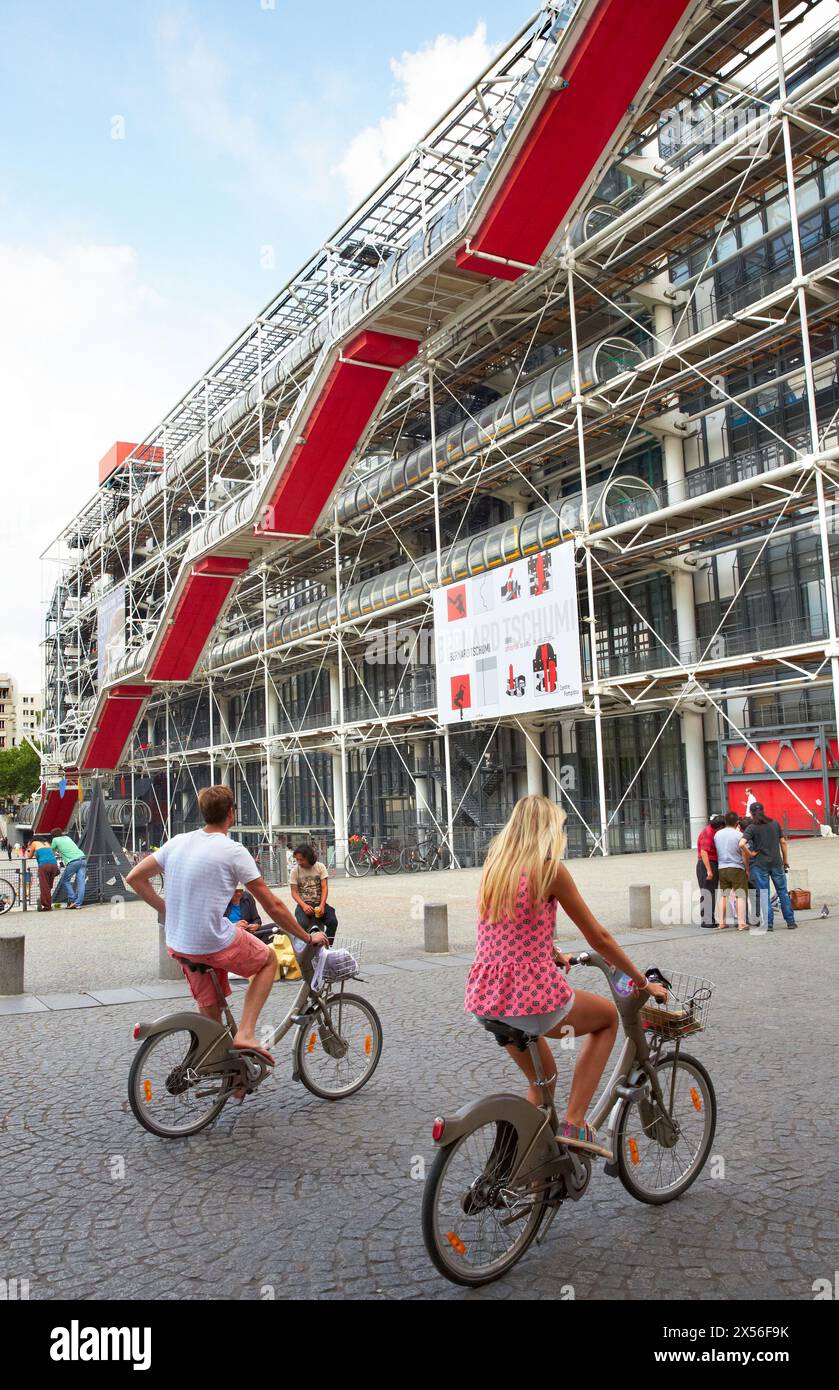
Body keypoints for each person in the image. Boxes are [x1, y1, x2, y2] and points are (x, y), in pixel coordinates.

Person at [464, 795, 667, 1157]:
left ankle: (521, 1173)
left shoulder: (496, 867)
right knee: (606, 1017)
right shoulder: (549, 869)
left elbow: (509, 927)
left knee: (543, 1083)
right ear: (547, 831)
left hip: (488, 998)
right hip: (527, 996)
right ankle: (575, 1121)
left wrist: (550, 951)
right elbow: (598, 937)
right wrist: (640, 981)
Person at [126, 786, 329, 1064]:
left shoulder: (178, 841)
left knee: (212, 1019)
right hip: (210, 941)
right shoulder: (233, 851)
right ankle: (246, 1032)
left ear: (203, 813)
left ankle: (225, 1072)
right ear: (231, 813)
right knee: (268, 960)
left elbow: (135, 878)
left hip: (178, 942)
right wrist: (306, 937)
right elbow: (273, 906)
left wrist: (168, 911)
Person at [740, 803, 797, 932]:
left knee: (764, 893)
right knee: (782, 892)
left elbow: (741, 844)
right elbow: (783, 842)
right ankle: (791, 921)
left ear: (751, 812)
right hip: (777, 863)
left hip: (760, 865)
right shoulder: (775, 824)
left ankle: (769, 924)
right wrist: (785, 860)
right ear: (763, 811)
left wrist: (751, 854)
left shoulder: (751, 828)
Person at [290, 844, 338, 942]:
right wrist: (303, 906)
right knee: (302, 924)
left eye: (301, 859)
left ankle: (327, 946)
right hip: (303, 904)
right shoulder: (295, 871)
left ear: (309, 858)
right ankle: (304, 949)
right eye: (297, 860)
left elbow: (324, 887)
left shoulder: (320, 867)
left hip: (319, 903)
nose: (299, 862)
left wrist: (322, 905)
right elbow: (294, 892)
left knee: (332, 922)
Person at [714, 811, 749, 931]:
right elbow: (744, 854)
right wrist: (747, 868)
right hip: (736, 867)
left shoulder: (717, 835)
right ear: (737, 822)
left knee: (724, 895)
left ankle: (721, 922)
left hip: (722, 868)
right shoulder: (739, 836)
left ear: (725, 822)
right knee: (740, 895)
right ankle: (741, 923)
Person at [696, 814, 725, 929]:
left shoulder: (713, 831)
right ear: (720, 826)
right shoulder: (708, 833)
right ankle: (706, 920)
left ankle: (709, 919)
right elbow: (704, 852)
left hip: (711, 863)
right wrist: (709, 870)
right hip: (706, 864)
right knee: (707, 892)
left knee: (711, 892)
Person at [50, 830, 87, 909]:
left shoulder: (55, 840)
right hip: (83, 859)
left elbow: (51, 852)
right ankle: (78, 903)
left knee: (65, 881)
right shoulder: (67, 837)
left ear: (53, 835)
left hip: (73, 861)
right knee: (81, 883)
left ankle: (73, 899)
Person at [28, 838, 59, 911]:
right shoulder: (47, 843)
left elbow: (29, 856)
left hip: (44, 865)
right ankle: (43, 900)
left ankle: (47, 906)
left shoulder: (34, 843)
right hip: (54, 865)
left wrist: (29, 850)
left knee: (44, 886)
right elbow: (53, 854)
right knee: (49, 886)